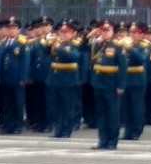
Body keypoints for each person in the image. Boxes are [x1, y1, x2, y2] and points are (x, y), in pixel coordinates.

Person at [90, 20, 128, 150]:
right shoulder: (98, 45)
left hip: (111, 85)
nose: (104, 33)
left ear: (112, 32)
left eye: (107, 30)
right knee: (101, 114)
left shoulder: (117, 47)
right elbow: (93, 63)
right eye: (102, 30)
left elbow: (123, 67)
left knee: (112, 114)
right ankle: (103, 140)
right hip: (99, 83)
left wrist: (120, 86)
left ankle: (112, 141)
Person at [49, 20, 82, 139]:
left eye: (66, 33)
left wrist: (58, 49)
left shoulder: (74, 45)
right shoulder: (59, 44)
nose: (63, 35)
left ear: (73, 34)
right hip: (57, 80)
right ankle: (59, 129)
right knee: (58, 107)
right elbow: (46, 52)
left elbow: (73, 56)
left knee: (68, 107)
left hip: (69, 81)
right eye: (61, 32)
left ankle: (66, 130)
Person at [0, 17, 30, 135]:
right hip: (5, 78)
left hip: (17, 79)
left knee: (17, 102)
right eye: (9, 28)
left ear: (18, 30)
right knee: (7, 103)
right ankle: (8, 124)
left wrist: (22, 78)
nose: (11, 31)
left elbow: (24, 63)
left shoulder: (22, 43)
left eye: (14, 28)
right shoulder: (4, 43)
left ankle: (17, 125)